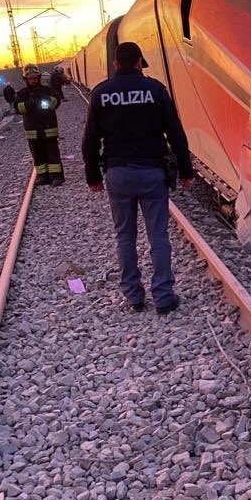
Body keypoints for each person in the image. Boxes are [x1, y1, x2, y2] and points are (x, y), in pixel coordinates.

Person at [81, 41, 194, 314]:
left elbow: (90, 140)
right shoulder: (155, 90)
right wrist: (185, 170)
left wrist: (92, 175)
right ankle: (164, 297)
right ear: (139, 63)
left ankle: (134, 297)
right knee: (158, 236)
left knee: (124, 236)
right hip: (152, 172)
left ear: (115, 64)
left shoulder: (101, 93)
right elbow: (175, 133)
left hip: (118, 174)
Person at [14, 64, 65, 187]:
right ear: (26, 79)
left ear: (39, 77)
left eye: (35, 78)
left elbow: (56, 102)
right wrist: (30, 103)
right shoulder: (22, 94)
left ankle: (56, 176)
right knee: (37, 155)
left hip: (49, 129)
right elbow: (18, 108)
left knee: (52, 153)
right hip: (33, 132)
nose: (33, 80)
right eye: (30, 78)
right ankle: (42, 176)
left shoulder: (48, 90)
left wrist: (46, 99)